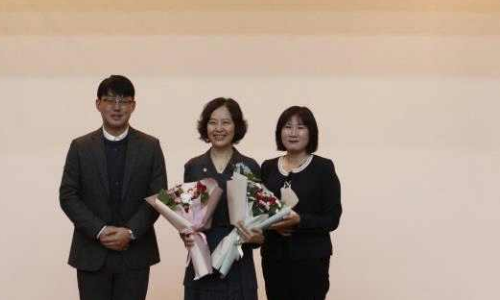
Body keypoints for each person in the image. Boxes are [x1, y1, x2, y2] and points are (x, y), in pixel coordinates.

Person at [59, 75, 168, 300]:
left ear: (133, 105)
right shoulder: (80, 147)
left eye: (124, 101)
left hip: (135, 253)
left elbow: (159, 196)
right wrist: (100, 230)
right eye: (109, 100)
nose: (117, 107)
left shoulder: (150, 146)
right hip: (91, 253)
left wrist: (130, 231)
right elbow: (68, 195)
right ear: (98, 104)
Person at [182, 97, 263, 300]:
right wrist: (186, 234)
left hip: (238, 262)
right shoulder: (193, 167)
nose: (219, 128)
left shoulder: (249, 167)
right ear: (205, 126)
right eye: (212, 122)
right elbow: (186, 218)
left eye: (226, 122)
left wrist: (255, 237)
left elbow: (260, 227)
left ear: (237, 126)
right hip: (202, 261)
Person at [260, 106, 342, 300]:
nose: (293, 133)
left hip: (311, 260)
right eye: (288, 126)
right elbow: (257, 212)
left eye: (301, 127)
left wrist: (299, 220)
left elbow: (332, 219)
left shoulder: (323, 168)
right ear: (280, 132)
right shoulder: (268, 167)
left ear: (311, 132)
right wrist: (271, 225)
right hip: (274, 259)